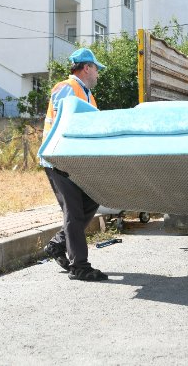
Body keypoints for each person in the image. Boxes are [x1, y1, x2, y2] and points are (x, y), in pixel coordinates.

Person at [40, 47, 109, 281]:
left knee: (91, 200)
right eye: (96, 69)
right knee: (73, 211)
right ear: (87, 68)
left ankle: (59, 244)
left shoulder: (88, 94)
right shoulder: (65, 88)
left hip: (76, 161)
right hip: (58, 158)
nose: (98, 74)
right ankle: (80, 266)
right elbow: (64, 123)